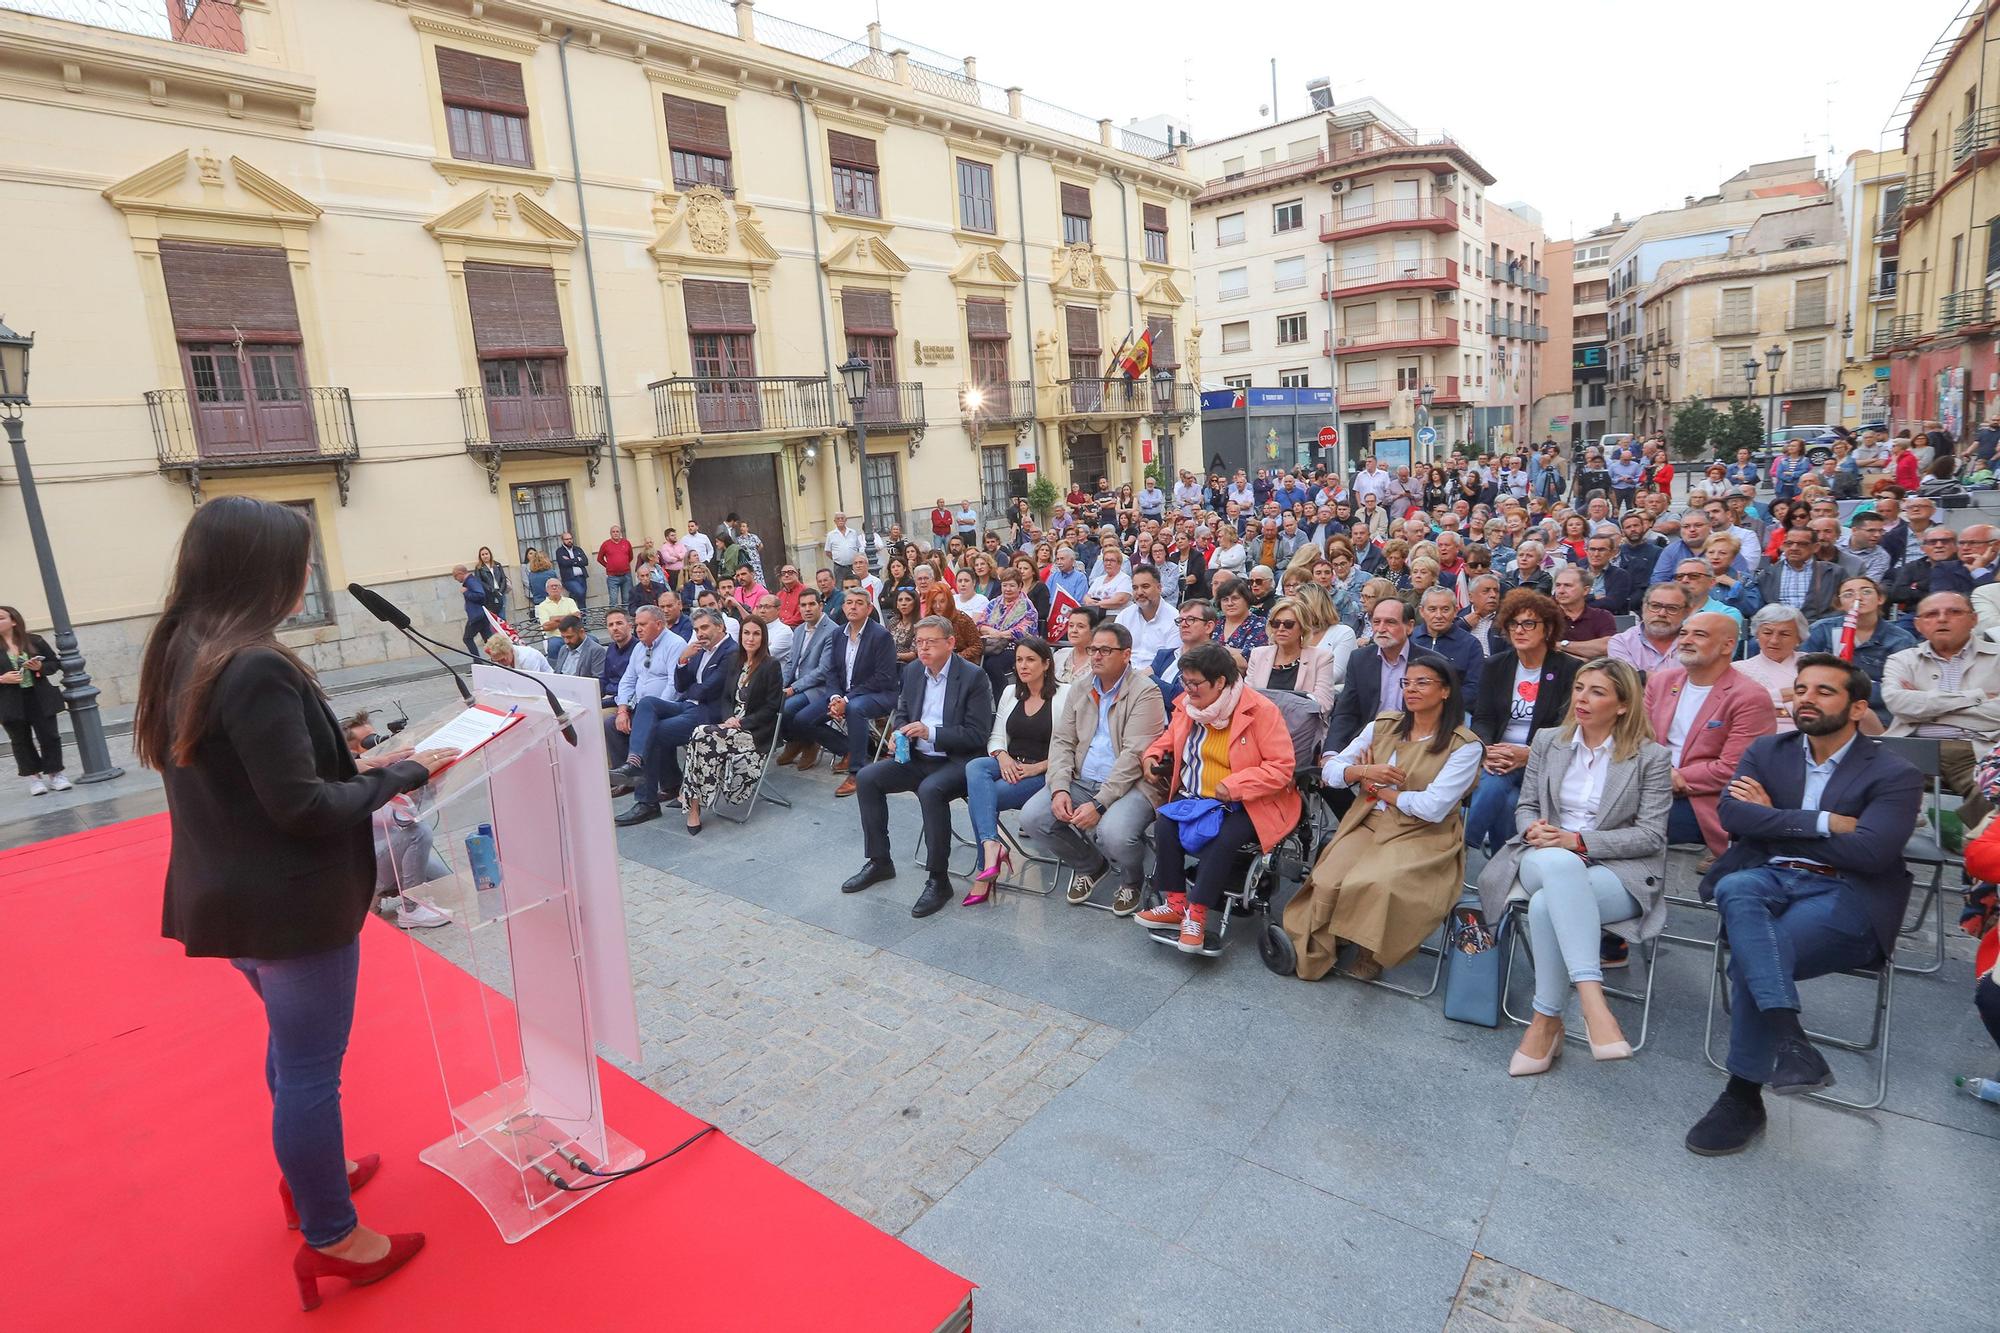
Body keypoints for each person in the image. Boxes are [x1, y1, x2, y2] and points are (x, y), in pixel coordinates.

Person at [136, 497, 450, 1306]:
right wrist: (399, 776)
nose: (307, 573)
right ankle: (332, 1232)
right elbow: (302, 808)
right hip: (290, 906)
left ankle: (308, 1174)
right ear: (260, 570)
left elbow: (251, 767)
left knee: (291, 1049)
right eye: (299, 559)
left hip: (232, 895)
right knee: (311, 1069)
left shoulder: (185, 645)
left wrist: (344, 753)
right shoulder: (255, 663)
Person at [1685, 655, 1924, 1155]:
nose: (1805, 699)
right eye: (1799, 689)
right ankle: (1791, 1042)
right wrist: (1822, 822)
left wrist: (1775, 820)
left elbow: (1871, 852)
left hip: (1847, 894)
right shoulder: (1769, 750)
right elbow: (1732, 814)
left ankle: (1743, 1093)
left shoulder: (1894, 772)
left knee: (1757, 954)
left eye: (1823, 691)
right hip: (1769, 877)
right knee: (1735, 888)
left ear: (1858, 708)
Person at [1476, 658, 1671, 1072]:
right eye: (1580, 688)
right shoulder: (1549, 741)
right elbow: (1526, 806)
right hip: (1542, 857)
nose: (1582, 698)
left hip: (1618, 869)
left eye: (1597, 691)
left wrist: (1579, 841)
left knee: (1548, 905)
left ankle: (1546, 1021)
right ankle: (1592, 1000)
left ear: (1622, 704)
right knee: (1560, 869)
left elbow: (1651, 836)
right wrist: (1535, 830)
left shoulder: (1651, 757)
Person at [1286, 652, 1482, 980]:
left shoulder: (1464, 745)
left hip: (1423, 833)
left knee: (1376, 881)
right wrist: (1364, 770)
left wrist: (1379, 790)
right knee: (1327, 880)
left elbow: (1433, 807)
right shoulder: (1385, 725)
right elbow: (1331, 771)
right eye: (1407, 682)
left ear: (1446, 691)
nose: (1412, 689)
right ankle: (1319, 949)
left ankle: (1369, 951)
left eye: (1423, 683)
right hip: (1370, 820)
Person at [1131, 642, 1302, 953]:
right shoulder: (1188, 707)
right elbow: (1167, 739)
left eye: (1196, 683)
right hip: (1198, 797)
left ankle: (1196, 914)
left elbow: (1282, 768)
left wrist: (1237, 784)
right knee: (1166, 823)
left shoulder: (1260, 711)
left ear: (1221, 681)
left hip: (1248, 802)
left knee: (1223, 837)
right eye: (1186, 682)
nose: (1189, 690)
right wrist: (1152, 756)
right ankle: (1175, 903)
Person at [840, 616, 996, 916]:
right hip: (917, 756)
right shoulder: (913, 671)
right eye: (918, 642)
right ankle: (879, 861)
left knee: (930, 790)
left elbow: (977, 735)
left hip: (958, 761)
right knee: (869, 777)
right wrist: (899, 731)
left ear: (950, 643)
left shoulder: (973, 677)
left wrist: (931, 732)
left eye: (930, 642)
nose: (922, 648)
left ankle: (938, 879)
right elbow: (903, 711)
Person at [1020, 622, 1167, 917]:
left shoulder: (1146, 692)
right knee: (1033, 817)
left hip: (1132, 784)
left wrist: (1099, 804)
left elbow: (1134, 755)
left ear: (1126, 654)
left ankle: (1132, 879)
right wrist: (1060, 786)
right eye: (1093, 650)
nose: (1096, 656)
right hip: (1081, 778)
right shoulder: (1081, 686)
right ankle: (1091, 865)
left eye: (1105, 650)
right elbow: (1062, 741)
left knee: (1114, 833)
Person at [1643, 611, 1775, 858]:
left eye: (1699, 635)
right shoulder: (1661, 682)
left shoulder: (1749, 697)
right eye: (1683, 633)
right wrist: (1657, 775)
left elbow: (1734, 768)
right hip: (1651, 785)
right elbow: (1639, 740)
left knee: (1615, 818)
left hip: (1705, 800)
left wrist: (1665, 777)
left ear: (1728, 646)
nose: (1686, 640)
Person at [1467, 589, 1581, 855]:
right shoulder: (1496, 665)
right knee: (1507, 800)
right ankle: (1503, 865)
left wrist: (1529, 754)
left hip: (1544, 757)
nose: (1520, 630)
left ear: (1548, 628)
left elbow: (1565, 726)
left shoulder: (1568, 669)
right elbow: (1482, 717)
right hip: (1499, 755)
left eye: (1529, 623)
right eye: (1513, 624)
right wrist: (1487, 749)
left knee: (1499, 789)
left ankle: (1455, 848)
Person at [1883, 590, 2000, 829]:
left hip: (1978, 749)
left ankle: (1976, 853)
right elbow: (1898, 703)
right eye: (1931, 614)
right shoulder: (1902, 660)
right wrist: (1975, 697)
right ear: (1918, 625)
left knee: (1994, 790)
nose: (1942, 619)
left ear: (1974, 620)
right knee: (1862, 779)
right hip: (1910, 745)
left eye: (1954, 612)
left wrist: (1923, 703)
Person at [962, 637, 1068, 898]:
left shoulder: (1066, 694)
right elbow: (997, 736)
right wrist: (1001, 756)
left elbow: (1072, 746)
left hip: (1043, 771)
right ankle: (991, 848)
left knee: (984, 798)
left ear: (1046, 664)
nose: (1023, 666)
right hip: (1010, 764)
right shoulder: (1011, 692)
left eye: (1030, 659)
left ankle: (984, 870)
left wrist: (1039, 767)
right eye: (1019, 659)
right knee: (976, 766)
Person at [614, 609, 741, 825]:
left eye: (705, 627)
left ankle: (647, 802)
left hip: (708, 714)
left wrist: (692, 687)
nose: (700, 633)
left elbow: (706, 691)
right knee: (647, 704)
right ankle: (634, 762)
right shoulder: (699, 650)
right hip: (686, 706)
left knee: (651, 733)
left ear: (720, 627)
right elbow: (682, 685)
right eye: (696, 629)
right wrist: (683, 660)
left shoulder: (731, 652)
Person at [677, 616, 784, 835]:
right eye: (746, 633)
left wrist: (742, 722)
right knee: (700, 739)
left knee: (699, 734)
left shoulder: (770, 665)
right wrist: (729, 719)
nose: (750, 638)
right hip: (729, 728)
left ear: (763, 637)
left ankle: (690, 800)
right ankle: (694, 806)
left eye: (756, 633)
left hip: (754, 733)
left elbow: (771, 708)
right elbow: (726, 698)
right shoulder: (736, 659)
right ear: (741, 635)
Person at [1327, 597, 1418, 753]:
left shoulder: (1429, 663)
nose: (1381, 629)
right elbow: (1346, 712)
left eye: (1390, 622)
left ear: (1409, 627)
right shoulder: (1359, 659)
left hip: (1413, 745)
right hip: (1366, 743)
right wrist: (1331, 752)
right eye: (1376, 622)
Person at [0, 605, 69, 794]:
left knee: (49, 736)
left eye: (1, 618)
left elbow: (54, 663)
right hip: (9, 700)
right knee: (20, 740)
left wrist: (39, 667)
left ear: (13, 621)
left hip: (38, 695)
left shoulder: (34, 641)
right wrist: (2, 679)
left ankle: (56, 774)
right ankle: (34, 778)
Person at [1246, 596, 1338, 714]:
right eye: (1276, 623)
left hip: (1302, 728)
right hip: (1262, 725)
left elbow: (1323, 705)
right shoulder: (1258, 655)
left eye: (1288, 624)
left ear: (1302, 628)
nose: (1281, 628)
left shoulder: (1322, 658)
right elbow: (1247, 699)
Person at [1411, 585, 1484, 715]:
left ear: (1455, 611)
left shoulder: (1471, 644)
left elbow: (1473, 688)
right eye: (1432, 609)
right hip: (1412, 709)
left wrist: (1440, 706)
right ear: (1422, 611)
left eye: (1445, 609)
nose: (1438, 615)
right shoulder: (1410, 640)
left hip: (1454, 711)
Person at [1734, 605, 1808, 733]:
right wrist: (1788, 694)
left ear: (1799, 639)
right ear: (1757, 635)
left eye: (1784, 634)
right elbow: (1740, 706)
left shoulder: (1815, 665)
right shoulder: (1738, 669)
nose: (1774, 640)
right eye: (1767, 633)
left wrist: (1769, 704)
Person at [975, 569, 1040, 698]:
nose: (1007, 589)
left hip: (1016, 646)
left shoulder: (1027, 606)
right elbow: (980, 624)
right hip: (991, 645)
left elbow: (1023, 631)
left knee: (992, 665)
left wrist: (999, 634)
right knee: (971, 661)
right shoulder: (994, 603)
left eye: (1012, 585)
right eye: (1005, 585)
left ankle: (1003, 700)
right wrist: (992, 631)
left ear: (1020, 586)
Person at [1754, 527, 1842, 623]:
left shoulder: (1833, 573)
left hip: (1820, 630)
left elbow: (1843, 607)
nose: (1794, 548)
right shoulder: (1767, 575)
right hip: (1778, 628)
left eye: (1802, 544)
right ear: (1783, 546)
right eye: (1789, 543)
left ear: (1816, 547)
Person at [1151, 600, 1217, 710]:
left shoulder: (1213, 659)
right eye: (1180, 620)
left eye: (1191, 620)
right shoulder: (1164, 655)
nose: (1183, 624)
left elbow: (1178, 698)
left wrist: (1149, 677)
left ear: (1208, 627)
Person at [1551, 567, 1616, 649]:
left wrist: (1561, 645)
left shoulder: (1602, 616)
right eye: (1558, 585)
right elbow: (1542, 648)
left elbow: (1607, 646)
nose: (1560, 591)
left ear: (1585, 590)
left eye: (1568, 585)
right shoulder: (1545, 615)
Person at [1212, 577, 1268, 659]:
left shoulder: (1259, 624)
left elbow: (1252, 657)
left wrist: (1214, 652)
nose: (1230, 603)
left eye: (1235, 598)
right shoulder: (1216, 623)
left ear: (1246, 599)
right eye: (1225, 599)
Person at [550, 614, 606, 682]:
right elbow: (557, 673)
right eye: (563, 637)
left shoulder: (596, 651)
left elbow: (598, 682)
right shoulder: (563, 649)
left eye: (569, 637)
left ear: (581, 632)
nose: (566, 641)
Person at [452, 564, 493, 655]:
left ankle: (478, 662)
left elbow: (480, 595)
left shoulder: (470, 581)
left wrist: (466, 592)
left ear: (460, 573)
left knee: (467, 639)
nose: (455, 579)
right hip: (481, 615)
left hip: (477, 616)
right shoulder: (471, 581)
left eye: (455, 576)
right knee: (489, 640)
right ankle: (497, 660)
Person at [596, 525, 633, 611]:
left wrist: (623, 564)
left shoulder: (626, 543)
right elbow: (599, 559)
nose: (616, 533)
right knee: (613, 601)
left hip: (626, 576)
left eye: (617, 531)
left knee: (627, 599)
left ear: (620, 533)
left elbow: (630, 557)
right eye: (613, 532)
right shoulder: (605, 544)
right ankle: (614, 619)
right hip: (613, 577)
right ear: (610, 533)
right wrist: (608, 566)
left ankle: (626, 619)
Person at [473, 546, 511, 621]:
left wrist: (500, 591)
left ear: (490, 554)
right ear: (480, 557)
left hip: (500, 593)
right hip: (489, 596)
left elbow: (503, 578)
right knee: (493, 618)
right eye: (482, 555)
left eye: (486, 554)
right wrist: (491, 590)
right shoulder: (479, 568)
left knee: (502, 616)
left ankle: (504, 632)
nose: (485, 556)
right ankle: (496, 632)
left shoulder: (497, 565)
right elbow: (479, 582)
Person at [482, 633, 551, 673]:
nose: (500, 663)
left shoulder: (527, 657)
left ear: (509, 650)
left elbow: (533, 685)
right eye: (496, 661)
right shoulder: (505, 657)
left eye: (502, 660)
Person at [553, 532, 589, 606]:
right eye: (566, 539)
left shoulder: (578, 549)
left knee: (582, 598)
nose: (569, 541)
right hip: (569, 579)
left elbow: (585, 561)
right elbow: (564, 563)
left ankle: (583, 616)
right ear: (562, 540)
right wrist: (577, 560)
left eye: (570, 539)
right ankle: (571, 602)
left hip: (582, 577)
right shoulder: (559, 551)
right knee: (580, 592)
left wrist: (570, 560)